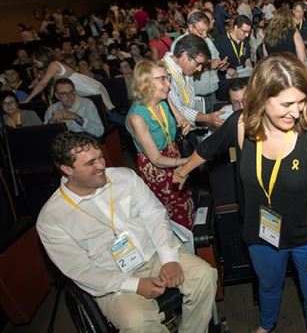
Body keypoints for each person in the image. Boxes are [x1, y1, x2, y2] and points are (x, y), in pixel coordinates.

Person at [173, 53, 307, 333]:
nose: (296, 112)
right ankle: (266, 325)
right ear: (262, 98)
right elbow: (208, 148)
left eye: (301, 102)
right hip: (262, 233)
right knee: (268, 285)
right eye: (287, 104)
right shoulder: (241, 124)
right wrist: (183, 170)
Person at [37, 131, 217, 333]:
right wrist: (135, 285)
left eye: (100, 157)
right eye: (90, 163)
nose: (101, 166)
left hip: (154, 254)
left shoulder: (124, 177)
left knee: (205, 276)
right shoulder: (52, 219)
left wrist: (169, 258)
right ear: (66, 169)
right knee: (137, 323)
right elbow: (80, 270)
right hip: (112, 281)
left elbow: (155, 216)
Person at [126, 60, 194, 229]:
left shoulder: (163, 99)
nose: (168, 84)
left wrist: (182, 121)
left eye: (167, 78)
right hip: (158, 169)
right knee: (173, 215)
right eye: (162, 79)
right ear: (145, 83)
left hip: (174, 155)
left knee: (186, 202)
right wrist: (185, 162)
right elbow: (156, 159)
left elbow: (178, 116)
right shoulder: (137, 117)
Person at [163, 34, 224, 150]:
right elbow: (180, 109)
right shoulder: (164, 73)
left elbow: (188, 101)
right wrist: (208, 118)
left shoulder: (184, 69)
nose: (199, 69)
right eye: (198, 64)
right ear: (185, 55)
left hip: (189, 129)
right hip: (173, 136)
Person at [24, 47, 116, 114]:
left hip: (84, 88)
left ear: (41, 58)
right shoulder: (53, 65)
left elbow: (43, 83)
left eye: (35, 61)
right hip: (82, 87)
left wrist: (28, 99)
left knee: (107, 113)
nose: (35, 64)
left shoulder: (53, 65)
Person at [171, 11, 228, 113]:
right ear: (190, 27)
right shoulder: (181, 44)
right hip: (195, 96)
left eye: (206, 31)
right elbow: (180, 72)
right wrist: (209, 65)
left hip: (211, 91)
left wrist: (219, 65)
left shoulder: (206, 39)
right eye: (201, 31)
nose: (204, 35)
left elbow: (215, 57)